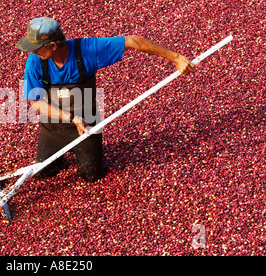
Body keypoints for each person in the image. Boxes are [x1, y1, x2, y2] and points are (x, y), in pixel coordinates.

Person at [17, 17, 194, 183]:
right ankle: (59, 159)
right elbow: (36, 103)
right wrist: (71, 118)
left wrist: (176, 58)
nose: (32, 51)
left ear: (53, 45)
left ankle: (87, 153)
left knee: (91, 174)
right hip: (53, 127)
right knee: (44, 173)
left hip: (86, 125)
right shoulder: (35, 61)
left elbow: (132, 41)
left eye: (37, 47)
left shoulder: (86, 50)